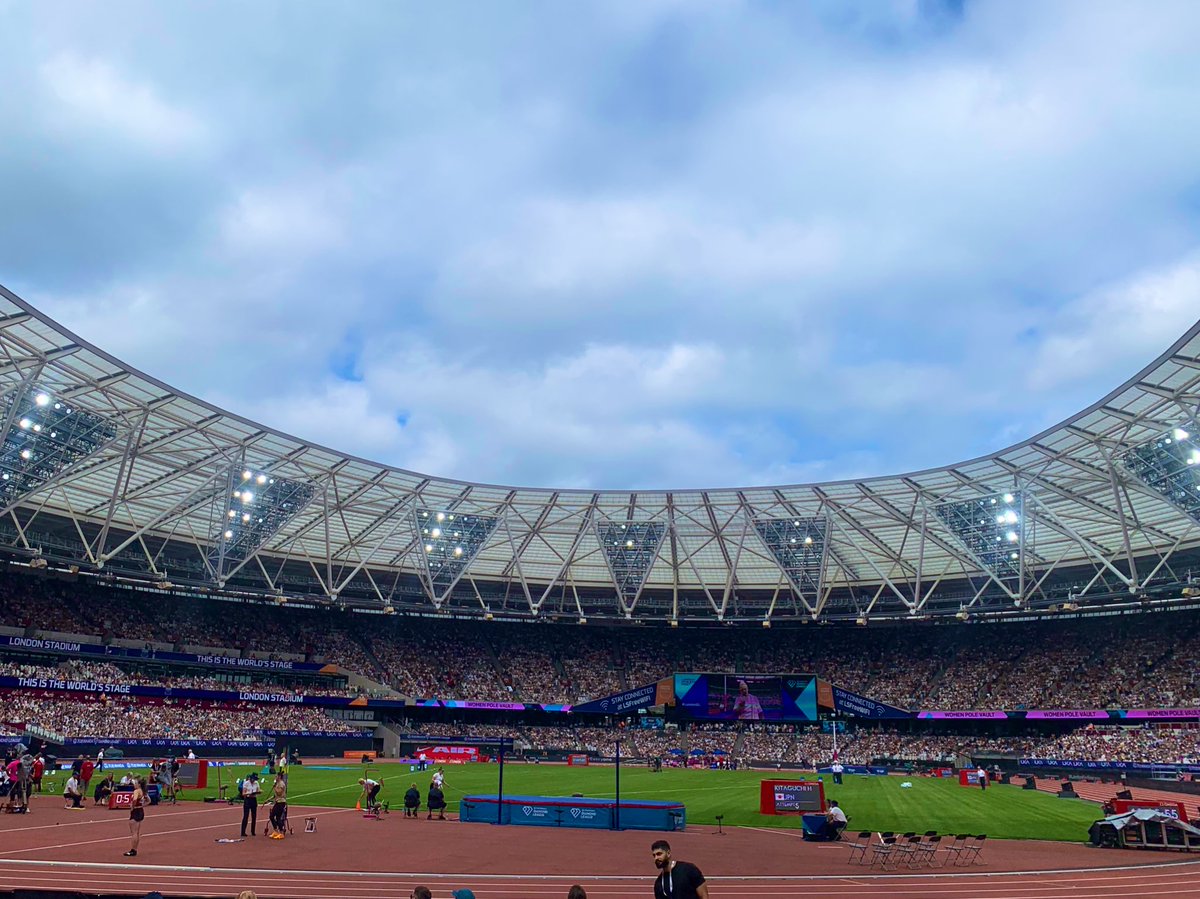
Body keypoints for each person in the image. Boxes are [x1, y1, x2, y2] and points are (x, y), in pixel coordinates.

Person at [125, 777, 147, 857]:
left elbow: (134, 800)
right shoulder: (143, 791)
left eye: (135, 783)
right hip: (141, 811)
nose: (134, 784)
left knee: (134, 832)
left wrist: (132, 807)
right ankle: (134, 849)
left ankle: (133, 850)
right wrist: (142, 805)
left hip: (135, 812)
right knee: (137, 832)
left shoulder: (136, 791)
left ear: (139, 784)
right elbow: (149, 800)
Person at [266, 773, 288, 838]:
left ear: (279, 777)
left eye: (276, 776)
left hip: (281, 802)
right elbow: (275, 795)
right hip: (277, 802)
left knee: (275, 817)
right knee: (273, 817)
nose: (275, 777)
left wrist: (274, 787)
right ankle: (276, 830)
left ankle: (281, 832)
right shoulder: (278, 783)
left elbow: (279, 792)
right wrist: (268, 799)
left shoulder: (281, 784)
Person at [241, 772, 260, 837]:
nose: (254, 780)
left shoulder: (256, 783)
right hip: (248, 799)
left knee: (254, 816)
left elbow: (258, 790)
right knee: (246, 816)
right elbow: (243, 793)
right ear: (251, 778)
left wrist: (257, 792)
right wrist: (249, 793)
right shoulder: (246, 783)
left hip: (254, 800)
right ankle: (243, 831)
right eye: (254, 779)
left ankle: (253, 831)